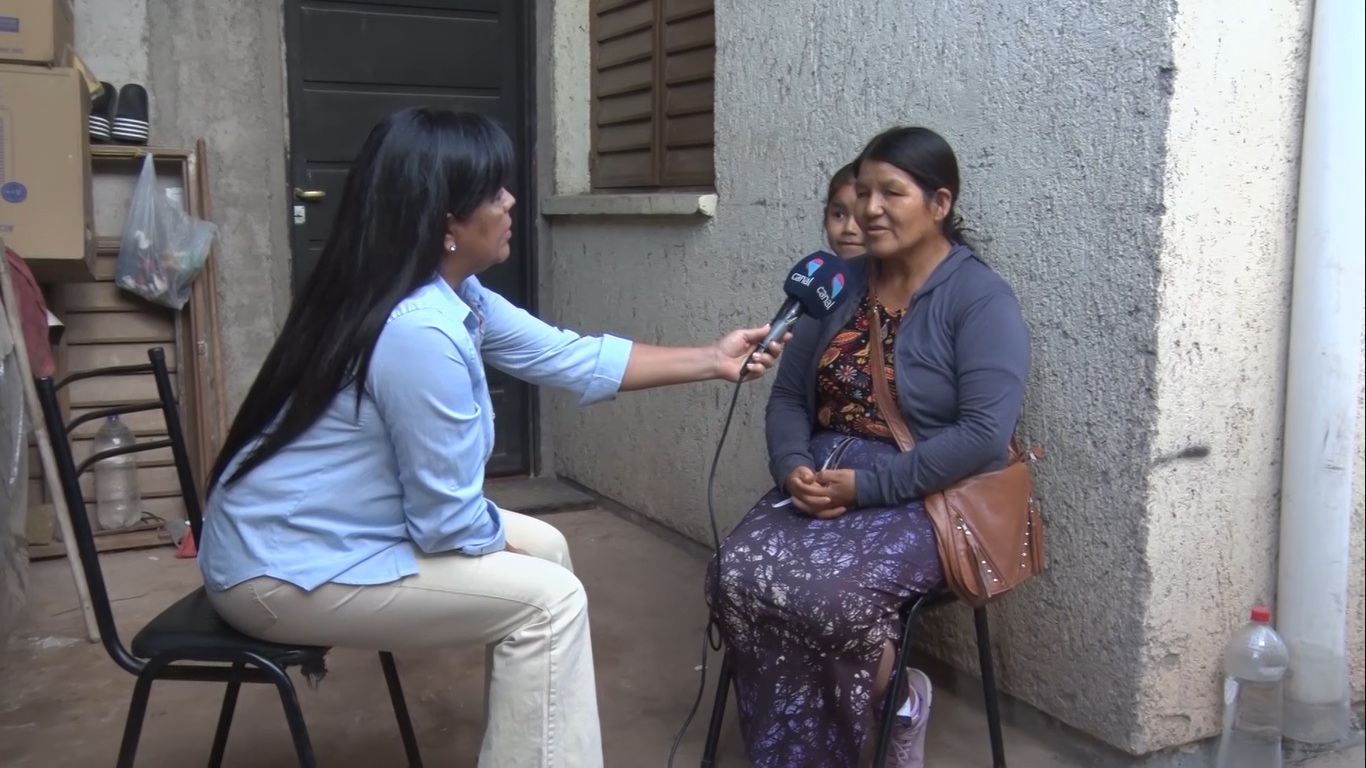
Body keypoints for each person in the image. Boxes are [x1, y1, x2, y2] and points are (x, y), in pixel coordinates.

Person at [196, 107, 787, 768]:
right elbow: (446, 522)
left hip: (336, 527)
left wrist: (712, 359)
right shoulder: (418, 332)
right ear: (445, 222)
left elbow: (569, 356)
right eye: (492, 191)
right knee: (549, 602)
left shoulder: (450, 294)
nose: (509, 201)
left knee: (548, 550)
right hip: (281, 570)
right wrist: (495, 541)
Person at [708, 126, 1031, 768]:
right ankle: (790, 754)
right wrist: (792, 466)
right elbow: (789, 399)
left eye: (891, 193)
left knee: (828, 597)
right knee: (734, 576)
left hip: (927, 491)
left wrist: (870, 488)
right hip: (826, 475)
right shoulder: (837, 285)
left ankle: (898, 706)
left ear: (939, 204)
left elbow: (983, 434)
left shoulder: (980, 300)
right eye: (861, 192)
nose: (869, 209)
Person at [823, 161, 864, 258]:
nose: (849, 228)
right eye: (839, 215)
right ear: (825, 219)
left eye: (863, 216)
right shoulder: (815, 267)